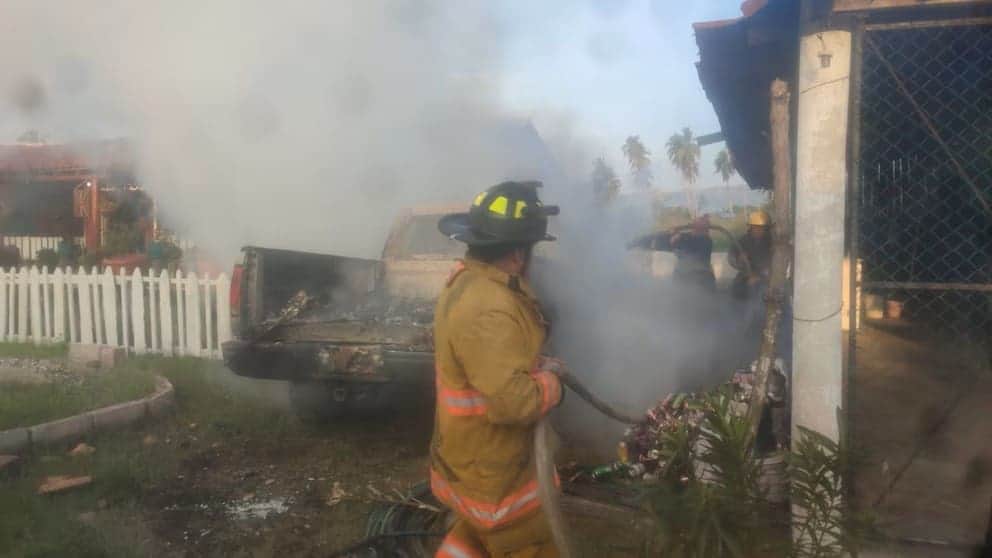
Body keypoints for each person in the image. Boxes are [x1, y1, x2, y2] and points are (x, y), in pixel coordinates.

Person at [432, 181, 565, 558]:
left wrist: (534, 366)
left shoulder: (468, 282)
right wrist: (552, 385)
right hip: (499, 483)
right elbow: (513, 403)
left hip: (470, 465)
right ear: (518, 254)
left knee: (471, 541)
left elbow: (493, 363)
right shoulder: (490, 307)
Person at [729, 210, 772, 300]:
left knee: (761, 291)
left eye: (762, 228)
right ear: (750, 227)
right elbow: (731, 257)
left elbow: (775, 265)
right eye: (755, 227)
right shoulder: (742, 241)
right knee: (736, 289)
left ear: (767, 229)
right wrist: (739, 260)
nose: (758, 230)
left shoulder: (772, 242)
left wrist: (759, 277)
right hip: (745, 276)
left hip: (767, 278)